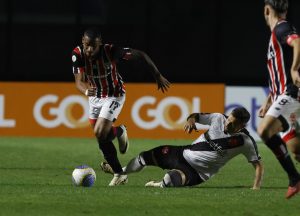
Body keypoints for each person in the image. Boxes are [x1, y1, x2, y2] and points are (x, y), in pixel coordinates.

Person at [71, 28, 170, 186]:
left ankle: (118, 134)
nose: (90, 50)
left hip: (114, 94)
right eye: (87, 45)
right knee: (101, 137)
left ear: (100, 44)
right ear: (83, 41)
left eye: (93, 46)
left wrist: (157, 75)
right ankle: (119, 172)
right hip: (94, 97)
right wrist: (85, 90)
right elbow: (78, 81)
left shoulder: (111, 51)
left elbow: (141, 55)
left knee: (99, 132)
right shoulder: (77, 54)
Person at [102, 107, 264, 189]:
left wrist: (256, 187)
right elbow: (195, 116)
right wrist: (191, 121)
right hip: (182, 153)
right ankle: (121, 173)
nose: (228, 124)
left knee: (170, 180)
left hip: (197, 173)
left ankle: (158, 184)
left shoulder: (245, 141)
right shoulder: (217, 118)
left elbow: (258, 165)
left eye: (233, 123)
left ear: (241, 125)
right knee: (144, 157)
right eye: (229, 119)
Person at [257, 0, 300, 199]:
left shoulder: (282, 28)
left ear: (267, 10)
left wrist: (294, 69)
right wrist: (268, 102)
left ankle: (294, 179)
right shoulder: (276, 35)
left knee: (264, 130)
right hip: (281, 96)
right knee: (296, 149)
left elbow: (297, 41)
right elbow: (277, 75)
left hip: (291, 93)